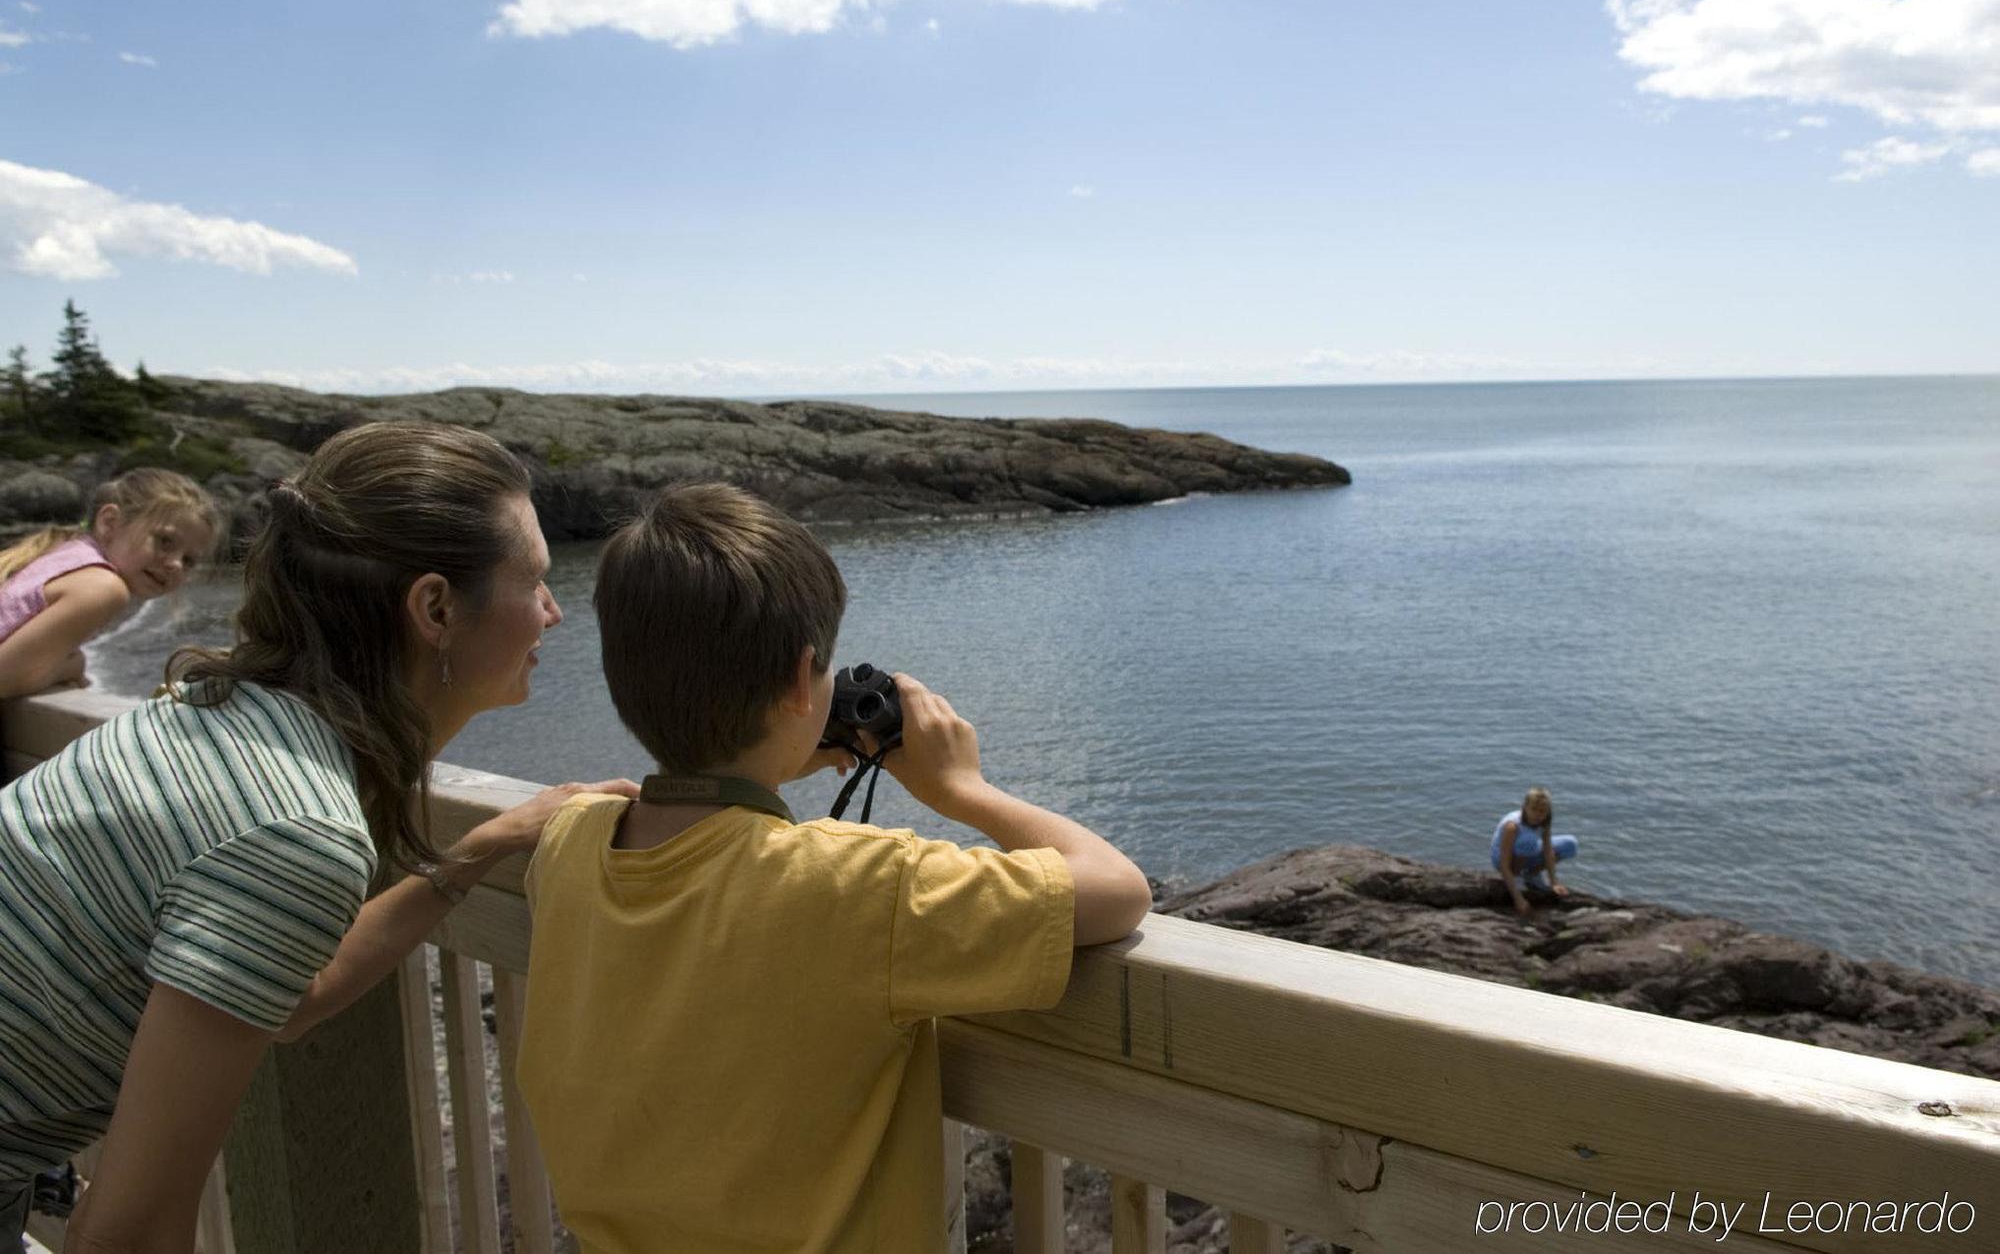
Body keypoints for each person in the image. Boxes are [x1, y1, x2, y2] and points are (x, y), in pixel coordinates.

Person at [0, 422, 635, 1254]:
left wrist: (482, 847)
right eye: (540, 582)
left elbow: (285, 999)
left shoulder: (212, 710)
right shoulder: (295, 830)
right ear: (436, 607)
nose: (553, 613)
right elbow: (129, 1230)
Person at [517, 482, 1153, 1253]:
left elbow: (694, 841)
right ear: (799, 682)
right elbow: (1118, 891)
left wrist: (768, 762)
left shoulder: (570, 844)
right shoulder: (863, 889)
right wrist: (964, 790)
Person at [0, 468, 221, 700]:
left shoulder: (64, 555)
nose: (175, 564)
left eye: (189, 560)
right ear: (109, 522)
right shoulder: (103, 588)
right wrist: (72, 665)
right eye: (164, 541)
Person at [1492, 786, 1577, 916]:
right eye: (1534, 810)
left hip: (1526, 850)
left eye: (1543, 811)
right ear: (1525, 807)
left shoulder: (1545, 821)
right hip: (1503, 859)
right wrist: (1518, 898)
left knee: (1570, 844)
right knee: (1529, 841)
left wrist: (1554, 882)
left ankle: (1531, 874)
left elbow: (1548, 850)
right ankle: (1517, 875)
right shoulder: (1512, 826)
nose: (1538, 815)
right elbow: (1504, 864)